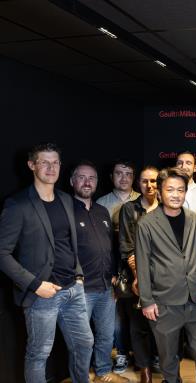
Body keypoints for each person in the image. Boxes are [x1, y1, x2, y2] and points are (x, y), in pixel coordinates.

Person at [0, 143, 93, 383]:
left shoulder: (65, 199)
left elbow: (69, 243)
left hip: (73, 288)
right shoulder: (17, 204)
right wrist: (34, 284)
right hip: (42, 294)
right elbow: (2, 254)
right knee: (39, 354)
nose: (51, 167)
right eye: (44, 162)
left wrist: (79, 276)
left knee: (84, 344)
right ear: (32, 165)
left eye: (55, 162)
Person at [136, 167, 196, 383]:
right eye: (170, 189)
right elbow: (142, 264)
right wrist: (146, 301)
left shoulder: (193, 218)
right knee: (168, 356)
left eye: (180, 190)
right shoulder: (146, 224)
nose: (175, 194)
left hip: (195, 298)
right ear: (160, 192)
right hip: (164, 301)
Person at [71, 161, 128, 383]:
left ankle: (103, 371)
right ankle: (81, 376)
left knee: (106, 335)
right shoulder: (66, 210)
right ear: (72, 181)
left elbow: (111, 247)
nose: (87, 182)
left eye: (92, 178)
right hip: (81, 289)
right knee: (82, 340)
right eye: (82, 177)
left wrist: (114, 275)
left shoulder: (102, 211)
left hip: (106, 287)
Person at [96, 159, 139, 373]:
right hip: (114, 270)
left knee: (139, 316)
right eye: (119, 173)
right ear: (111, 177)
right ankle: (121, 353)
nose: (124, 178)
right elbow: (102, 244)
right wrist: (111, 271)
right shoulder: (101, 204)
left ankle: (142, 356)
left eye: (128, 173)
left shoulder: (143, 200)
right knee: (117, 317)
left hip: (138, 267)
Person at [119, 165, 160, 383]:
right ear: (138, 184)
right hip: (138, 276)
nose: (149, 185)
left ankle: (157, 359)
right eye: (145, 181)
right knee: (139, 324)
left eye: (153, 181)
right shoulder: (129, 208)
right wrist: (139, 277)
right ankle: (144, 367)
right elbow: (127, 247)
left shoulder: (167, 206)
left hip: (163, 276)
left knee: (161, 321)